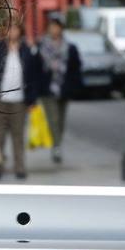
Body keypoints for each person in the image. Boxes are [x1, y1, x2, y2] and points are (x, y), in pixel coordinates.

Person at [0, 19, 41, 180]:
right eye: (10, 28)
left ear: (21, 31)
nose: (13, 32)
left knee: (18, 137)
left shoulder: (27, 50)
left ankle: (20, 168)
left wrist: (32, 100)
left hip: (19, 102)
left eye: (16, 28)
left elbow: (34, 76)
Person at [37, 16, 82, 164]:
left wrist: (74, 86)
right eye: (51, 26)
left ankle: (57, 144)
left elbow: (76, 68)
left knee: (61, 120)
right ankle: (56, 146)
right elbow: (34, 69)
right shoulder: (41, 46)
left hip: (64, 89)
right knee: (53, 119)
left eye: (56, 26)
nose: (54, 29)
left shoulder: (70, 47)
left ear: (61, 28)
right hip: (47, 89)